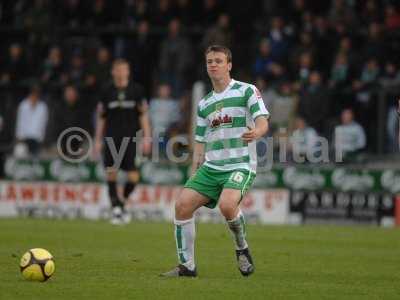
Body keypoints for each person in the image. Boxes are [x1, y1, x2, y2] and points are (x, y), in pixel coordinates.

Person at [161, 45, 269, 277]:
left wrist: (258, 132)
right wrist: (194, 170)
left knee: (228, 205)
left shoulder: (246, 91)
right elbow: (200, 141)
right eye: (210, 61)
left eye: (219, 61)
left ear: (229, 65)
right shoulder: (204, 104)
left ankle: (241, 248)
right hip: (211, 167)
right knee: (182, 205)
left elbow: (262, 120)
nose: (213, 65)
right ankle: (186, 267)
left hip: (240, 164)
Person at [94, 59, 151, 225]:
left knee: (133, 176)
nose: (120, 73)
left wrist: (147, 136)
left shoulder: (137, 90)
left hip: (132, 138)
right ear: (113, 72)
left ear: (128, 72)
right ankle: (116, 210)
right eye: (117, 70)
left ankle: (121, 203)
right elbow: (101, 118)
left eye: (123, 70)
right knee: (111, 172)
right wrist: (97, 139)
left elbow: (143, 115)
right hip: (111, 138)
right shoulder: (106, 91)